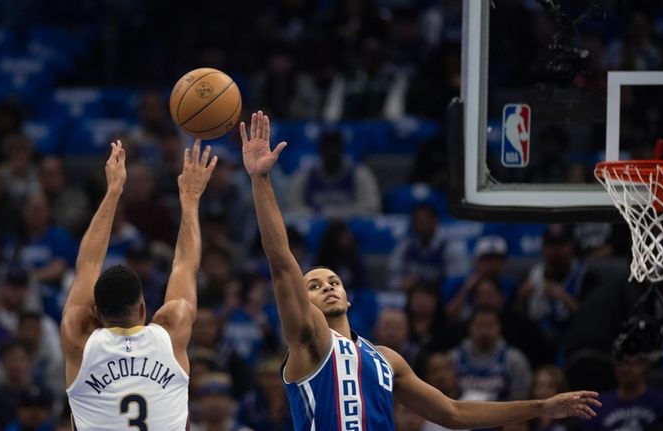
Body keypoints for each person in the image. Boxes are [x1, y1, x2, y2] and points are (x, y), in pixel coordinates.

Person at [240, 110, 601, 430]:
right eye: (315, 286)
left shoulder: (386, 358)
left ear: (349, 299)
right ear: (303, 304)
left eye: (334, 281)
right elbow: (283, 265)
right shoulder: (310, 340)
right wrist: (261, 181)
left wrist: (541, 407)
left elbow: (454, 413)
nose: (328, 286)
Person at [60, 140, 216, 430]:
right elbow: (184, 264)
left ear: (96, 312)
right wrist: (191, 199)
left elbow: (87, 266)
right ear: (143, 307)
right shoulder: (172, 330)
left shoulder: (78, 336)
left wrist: (113, 192)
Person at [582, 355, 663, 431]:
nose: (624, 369)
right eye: (619, 364)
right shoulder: (598, 405)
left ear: (643, 365)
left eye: (630, 363)